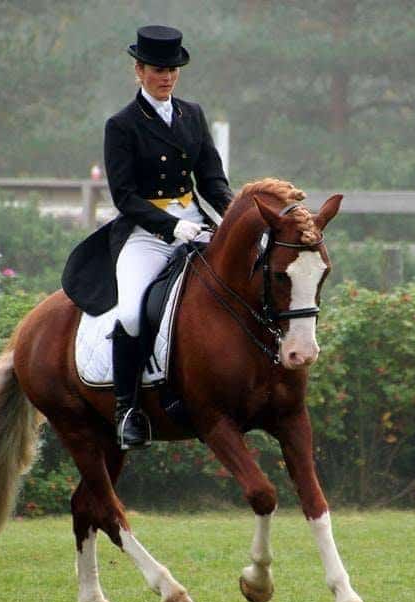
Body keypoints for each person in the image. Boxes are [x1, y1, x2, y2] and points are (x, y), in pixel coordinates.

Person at [61, 25, 234, 450]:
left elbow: (213, 181)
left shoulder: (192, 114)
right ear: (139, 71)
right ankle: (128, 410)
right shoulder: (122, 125)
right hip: (145, 234)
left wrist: (235, 220)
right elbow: (124, 196)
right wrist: (171, 226)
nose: (167, 77)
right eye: (158, 70)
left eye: (173, 70)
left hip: (196, 223)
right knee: (133, 313)